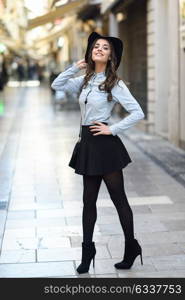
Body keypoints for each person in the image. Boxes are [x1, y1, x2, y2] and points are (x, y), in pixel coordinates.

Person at [51, 32, 145, 274]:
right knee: (87, 202)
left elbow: (138, 113)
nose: (100, 49)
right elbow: (56, 85)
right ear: (90, 52)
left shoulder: (114, 83)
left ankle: (131, 247)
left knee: (119, 199)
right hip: (87, 144)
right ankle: (87, 251)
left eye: (105, 47)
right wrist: (74, 67)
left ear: (111, 55)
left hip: (106, 145)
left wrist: (112, 128)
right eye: (96, 46)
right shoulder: (85, 80)